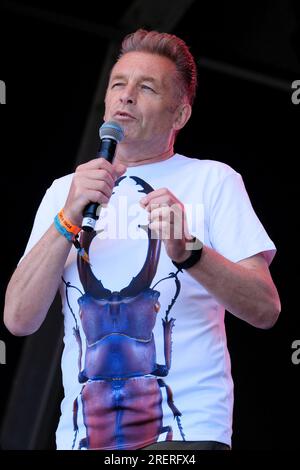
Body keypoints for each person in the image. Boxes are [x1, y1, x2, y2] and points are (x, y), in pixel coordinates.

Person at [4, 29, 281, 451]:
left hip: (185, 437)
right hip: (81, 438)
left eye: (146, 87)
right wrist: (67, 218)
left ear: (180, 115)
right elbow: (18, 319)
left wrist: (189, 251)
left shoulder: (212, 181)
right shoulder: (65, 191)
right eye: (119, 84)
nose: (126, 96)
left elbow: (265, 308)